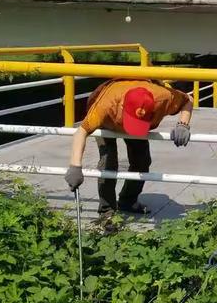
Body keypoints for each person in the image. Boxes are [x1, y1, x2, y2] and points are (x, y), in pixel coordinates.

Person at [64, 79, 193, 218]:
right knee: (108, 161)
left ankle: (128, 201)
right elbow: (81, 131)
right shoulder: (106, 105)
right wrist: (75, 166)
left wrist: (183, 124)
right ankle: (106, 212)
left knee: (142, 160)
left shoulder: (164, 97)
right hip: (107, 122)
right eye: (133, 123)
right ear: (122, 107)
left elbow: (188, 100)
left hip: (131, 117)